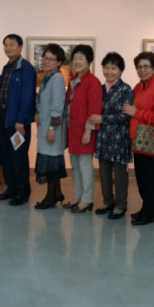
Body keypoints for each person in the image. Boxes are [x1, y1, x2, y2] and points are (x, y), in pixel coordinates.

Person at [122, 52, 154, 226]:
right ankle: (147, 209)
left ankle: (149, 212)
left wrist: (137, 113)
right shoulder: (138, 87)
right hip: (138, 138)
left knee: (151, 178)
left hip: (152, 138)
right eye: (139, 67)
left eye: (146, 66)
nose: (142, 70)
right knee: (142, 177)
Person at [87, 52, 133, 219]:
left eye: (113, 68)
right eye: (106, 67)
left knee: (120, 175)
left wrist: (103, 119)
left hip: (120, 138)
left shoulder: (125, 89)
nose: (109, 71)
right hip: (103, 138)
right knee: (104, 173)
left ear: (120, 71)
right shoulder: (99, 89)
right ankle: (108, 202)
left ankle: (120, 206)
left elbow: (126, 115)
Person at [0, 34, 36, 206]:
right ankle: (11, 189)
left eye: (12, 44)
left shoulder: (25, 68)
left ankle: (22, 192)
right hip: (3, 118)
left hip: (17, 121)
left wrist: (21, 120)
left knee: (18, 157)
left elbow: (27, 97)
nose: (8, 47)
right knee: (6, 156)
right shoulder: (7, 67)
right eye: (5, 44)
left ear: (20, 47)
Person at [63, 44, 102, 214]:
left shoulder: (92, 82)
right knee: (75, 166)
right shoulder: (73, 80)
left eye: (81, 58)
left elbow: (94, 109)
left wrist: (88, 130)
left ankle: (87, 200)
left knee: (85, 166)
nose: (77, 62)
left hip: (85, 131)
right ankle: (77, 196)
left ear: (89, 61)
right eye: (75, 59)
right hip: (73, 130)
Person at [33, 44, 67, 209]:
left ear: (59, 62)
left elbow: (58, 107)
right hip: (45, 125)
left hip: (53, 127)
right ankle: (57, 193)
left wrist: (52, 129)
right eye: (45, 58)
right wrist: (37, 112)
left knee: (52, 163)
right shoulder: (47, 78)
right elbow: (44, 101)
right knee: (49, 160)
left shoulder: (57, 79)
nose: (46, 61)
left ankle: (50, 197)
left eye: (51, 59)